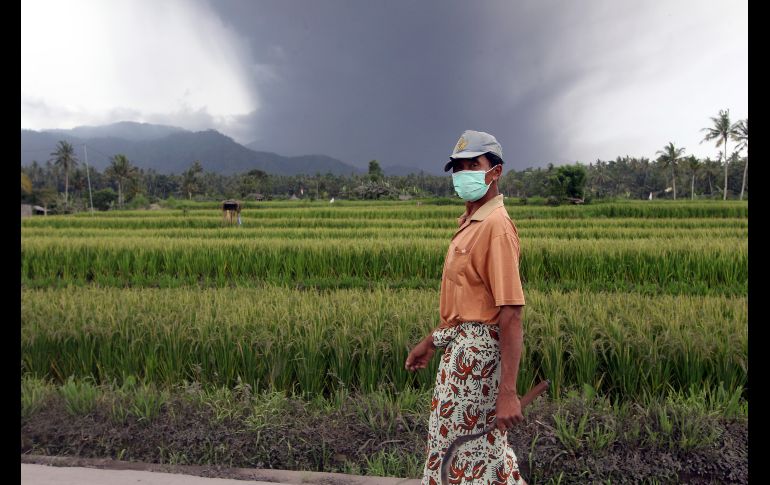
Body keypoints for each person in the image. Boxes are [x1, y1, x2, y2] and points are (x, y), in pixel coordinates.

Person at [405, 130, 527, 485]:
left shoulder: (496, 228)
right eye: (458, 166)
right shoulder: (472, 224)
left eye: (473, 164)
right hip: (459, 357)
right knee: (459, 451)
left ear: (496, 171)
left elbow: (510, 313)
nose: (464, 173)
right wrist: (432, 342)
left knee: (467, 455)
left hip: (478, 364)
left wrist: (508, 393)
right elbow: (466, 308)